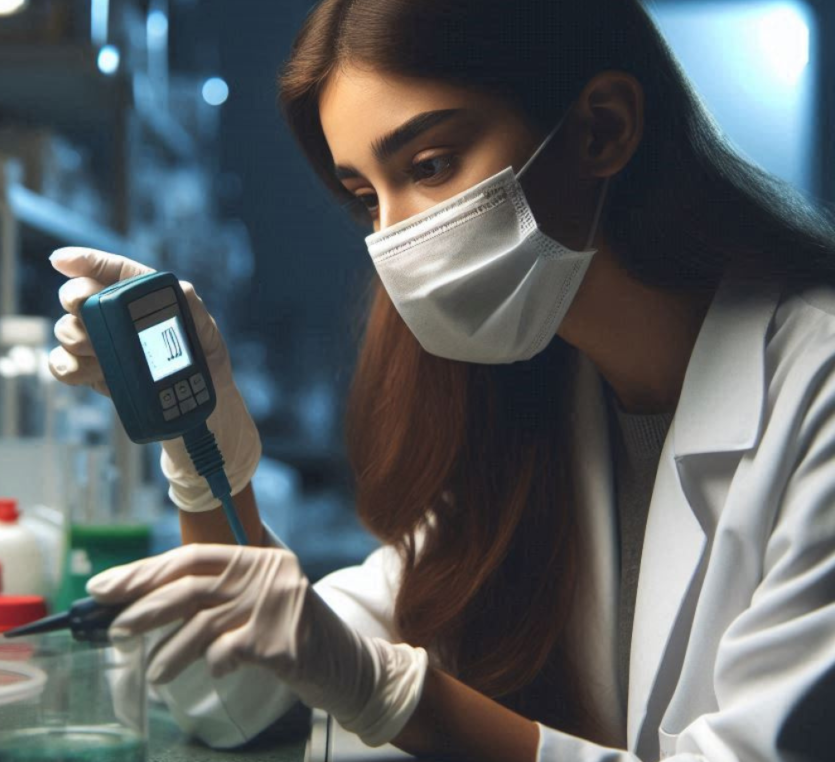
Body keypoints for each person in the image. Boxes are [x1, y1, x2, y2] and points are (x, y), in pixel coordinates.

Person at [47, 0, 835, 759]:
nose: (398, 242)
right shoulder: (537, 399)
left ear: (603, 128)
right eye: (365, 199)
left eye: (429, 165)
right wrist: (204, 446)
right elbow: (244, 703)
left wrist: (396, 694)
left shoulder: (816, 387)